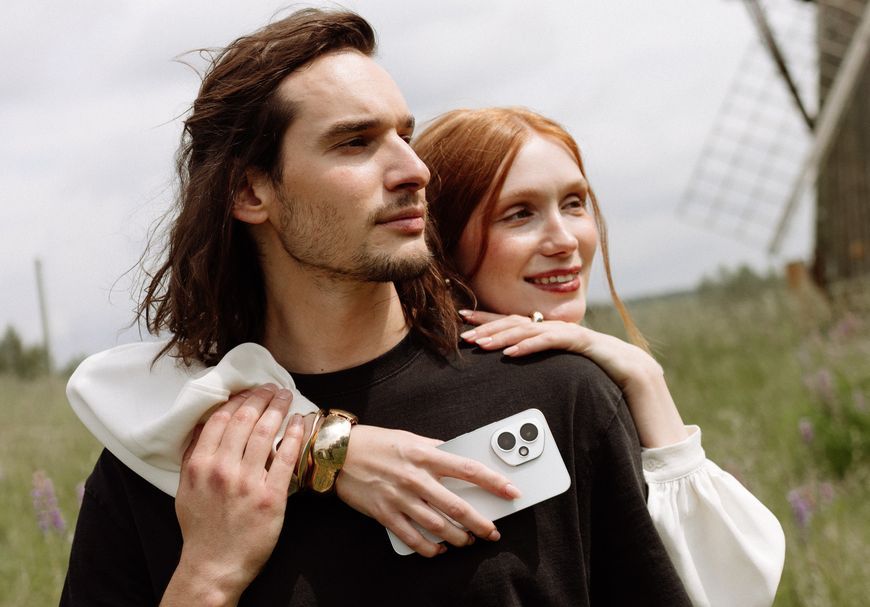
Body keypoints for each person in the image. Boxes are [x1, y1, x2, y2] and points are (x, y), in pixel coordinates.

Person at [62, 8, 694, 607]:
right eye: (356, 143)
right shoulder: (172, 458)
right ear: (250, 191)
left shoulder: (559, 396)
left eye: (405, 136)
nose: (414, 169)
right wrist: (207, 576)